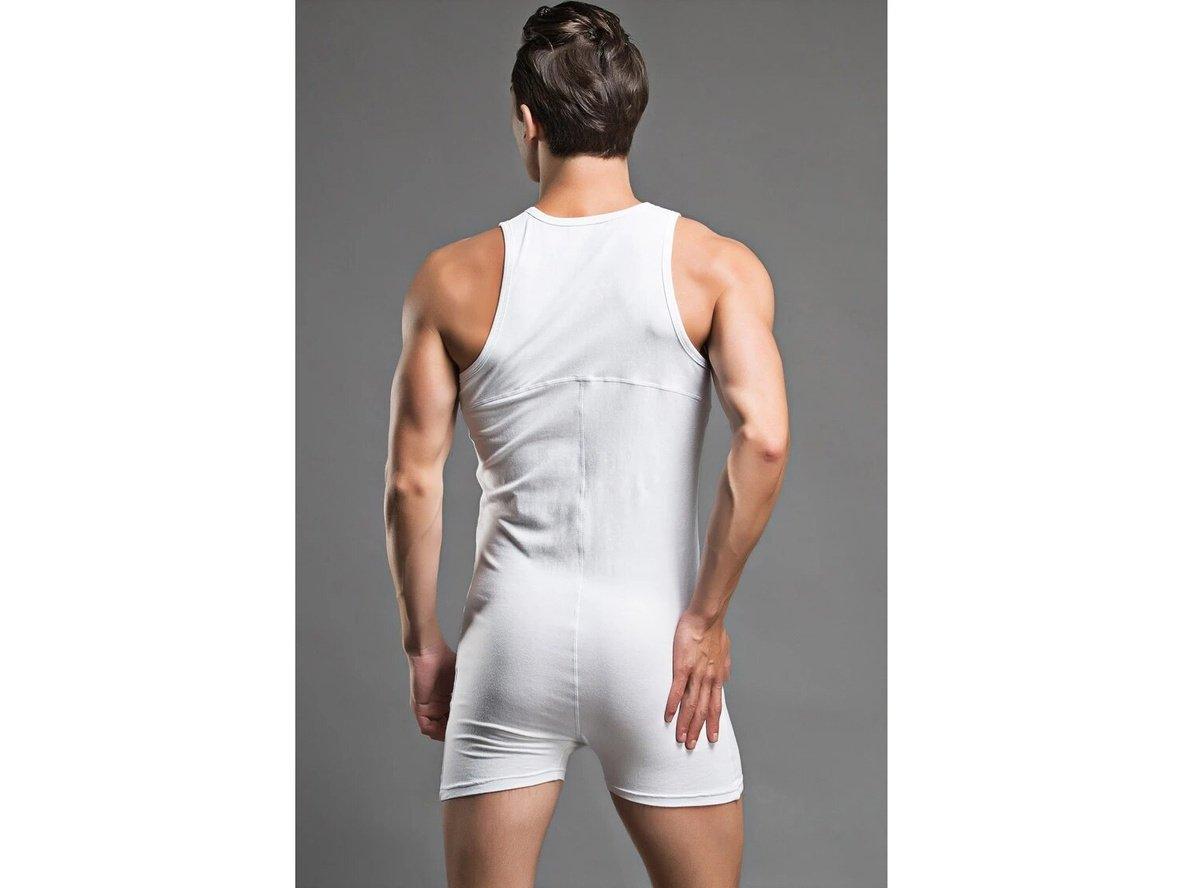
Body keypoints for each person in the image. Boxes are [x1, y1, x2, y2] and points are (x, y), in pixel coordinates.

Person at [384, 3, 789, 885]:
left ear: (528, 122)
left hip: (509, 636)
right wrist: (707, 619)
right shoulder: (716, 266)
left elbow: (413, 483)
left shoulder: (450, 278)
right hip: (657, 644)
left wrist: (423, 642)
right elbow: (763, 441)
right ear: (629, 116)